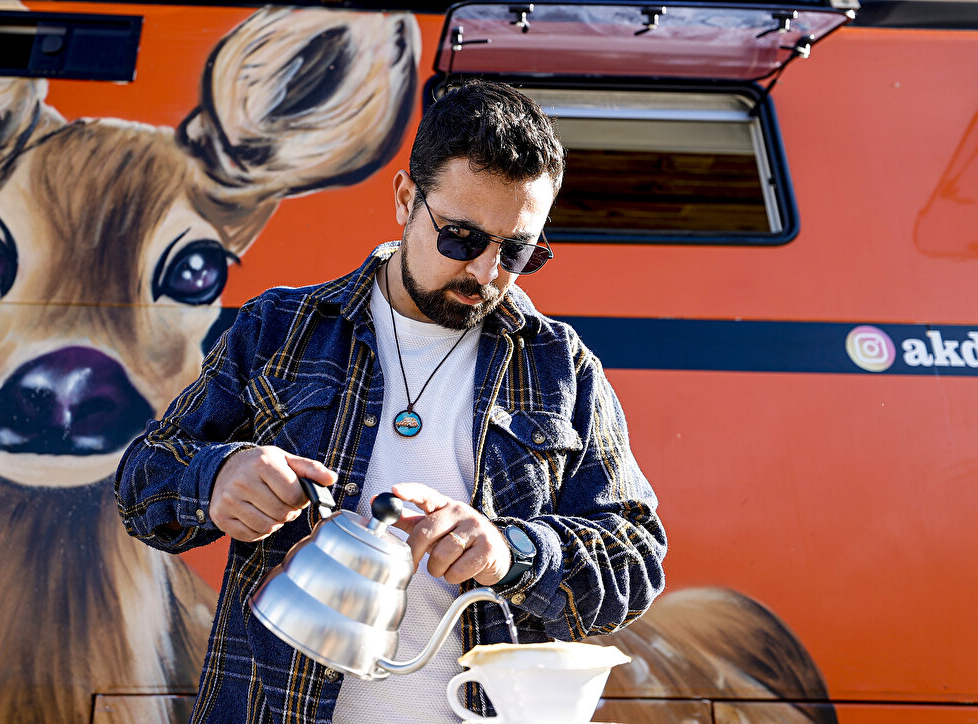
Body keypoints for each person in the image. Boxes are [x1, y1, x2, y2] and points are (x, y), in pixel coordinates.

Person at [115, 79, 667, 724]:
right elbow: (141, 482)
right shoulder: (282, 326)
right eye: (461, 238)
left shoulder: (557, 364)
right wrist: (214, 479)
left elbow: (635, 559)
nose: (486, 272)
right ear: (407, 199)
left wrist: (510, 550)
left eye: (517, 251)